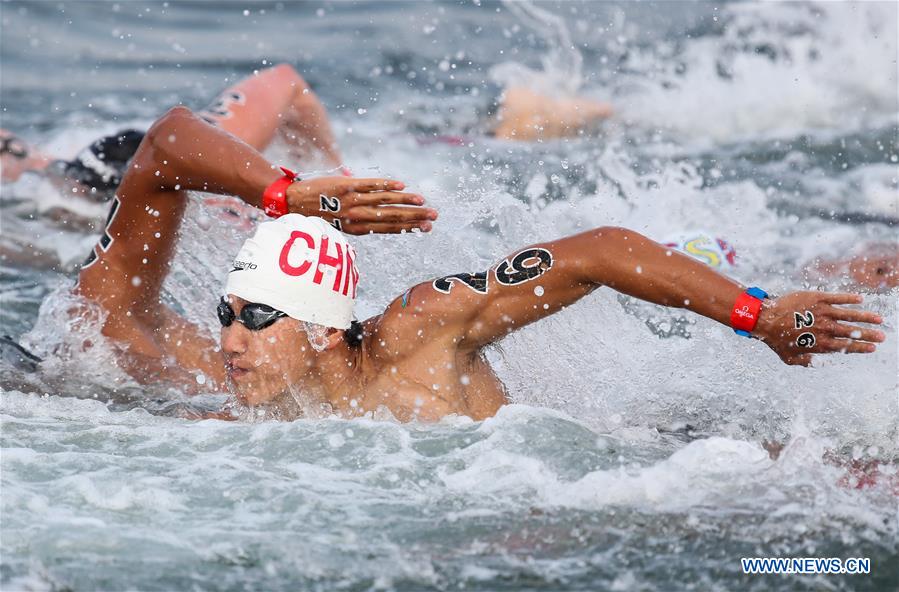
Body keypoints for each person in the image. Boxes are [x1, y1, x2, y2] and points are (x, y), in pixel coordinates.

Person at [66, 105, 885, 422]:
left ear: (323, 331)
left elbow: (598, 250)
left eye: (256, 317)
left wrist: (756, 315)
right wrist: (285, 196)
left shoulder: (418, 332)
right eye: (227, 314)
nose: (230, 339)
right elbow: (163, 143)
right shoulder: (228, 399)